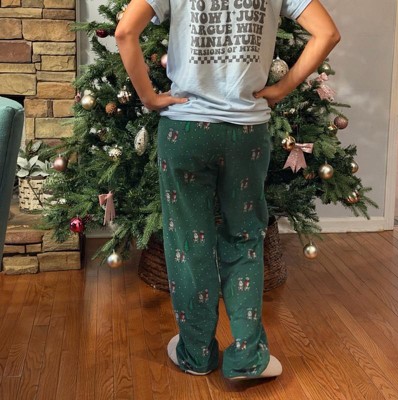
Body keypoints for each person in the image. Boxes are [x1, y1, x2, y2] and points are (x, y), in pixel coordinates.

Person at [116, 0, 340, 380]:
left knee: (189, 241)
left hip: (185, 129)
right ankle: (247, 357)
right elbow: (327, 33)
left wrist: (150, 98)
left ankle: (195, 353)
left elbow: (124, 32)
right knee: (244, 236)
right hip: (246, 132)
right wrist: (282, 87)